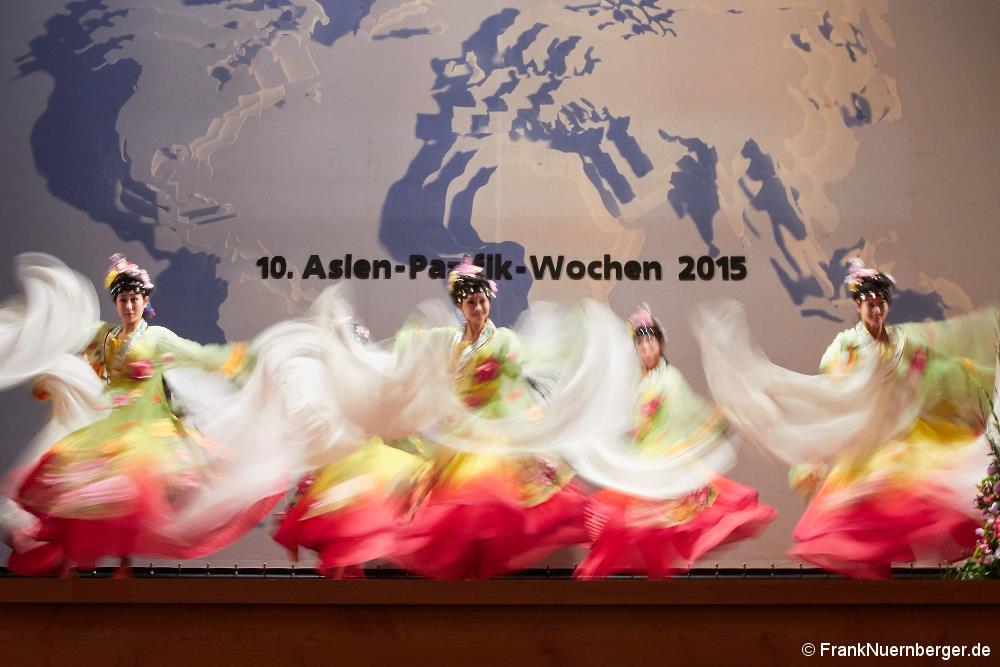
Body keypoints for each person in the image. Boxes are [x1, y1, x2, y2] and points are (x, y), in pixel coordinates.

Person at [695, 258, 997, 578]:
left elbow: (941, 363)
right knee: (859, 516)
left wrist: (976, 377)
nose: (876, 310)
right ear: (858, 306)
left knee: (928, 494)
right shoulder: (846, 346)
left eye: (881, 304)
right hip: (864, 444)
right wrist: (815, 456)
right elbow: (832, 396)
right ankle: (869, 589)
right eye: (869, 304)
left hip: (902, 438)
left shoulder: (904, 342)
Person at [6, 253, 278, 576]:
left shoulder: (156, 338)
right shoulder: (105, 336)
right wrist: (49, 374)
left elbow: (198, 355)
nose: (129, 306)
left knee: (134, 491)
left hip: (149, 428)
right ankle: (68, 557)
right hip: (111, 425)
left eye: (134, 299)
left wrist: (241, 360)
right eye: (123, 300)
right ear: (116, 303)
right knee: (76, 483)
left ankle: (124, 564)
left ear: (145, 301)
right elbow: (68, 339)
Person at [390, 257, 587, 578]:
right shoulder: (450, 340)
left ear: (490, 301)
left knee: (487, 499)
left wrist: (529, 411)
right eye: (471, 303)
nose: (478, 308)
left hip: (491, 430)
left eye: (482, 301)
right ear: (460, 306)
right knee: (453, 510)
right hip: (457, 434)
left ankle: (490, 583)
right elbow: (416, 344)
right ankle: (469, 583)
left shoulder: (503, 340)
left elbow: (523, 371)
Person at [575, 306, 775, 578]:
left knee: (656, 527)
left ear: (660, 345)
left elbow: (690, 411)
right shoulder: (635, 383)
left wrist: (715, 424)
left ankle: (657, 580)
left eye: (651, 343)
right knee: (627, 524)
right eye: (641, 344)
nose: (646, 349)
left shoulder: (669, 379)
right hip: (642, 464)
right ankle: (634, 577)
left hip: (665, 462)